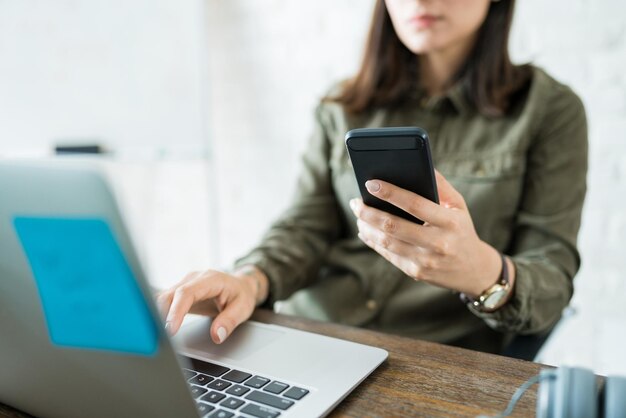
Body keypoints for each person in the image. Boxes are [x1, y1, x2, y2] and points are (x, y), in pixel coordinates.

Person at [157, 0, 587, 354]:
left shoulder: (549, 111)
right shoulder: (341, 105)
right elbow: (304, 228)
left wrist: (484, 274)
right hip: (314, 336)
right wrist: (248, 279)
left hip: (434, 357)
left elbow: (551, 278)